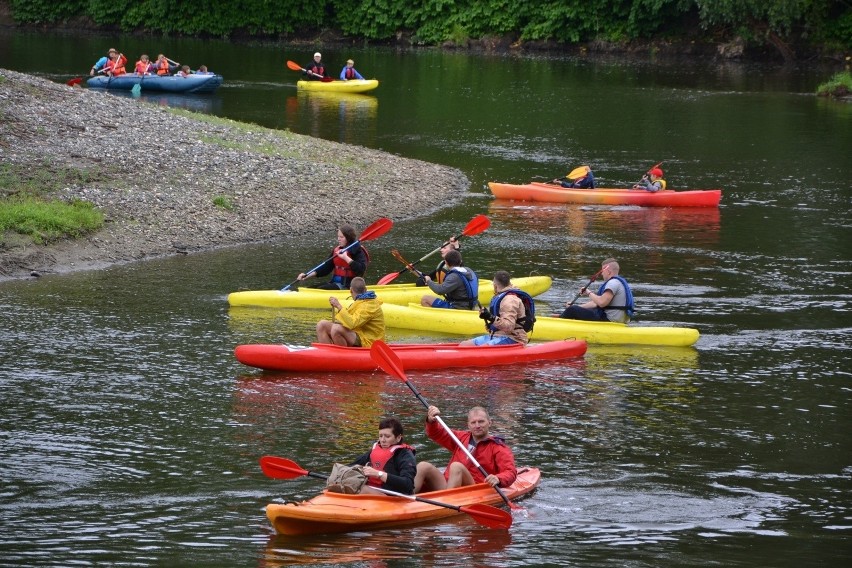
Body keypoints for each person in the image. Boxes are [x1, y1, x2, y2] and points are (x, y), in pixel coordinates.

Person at [413, 405, 516, 493]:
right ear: (468, 425)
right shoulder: (461, 437)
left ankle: (447, 502)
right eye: (473, 422)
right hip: (449, 485)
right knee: (423, 466)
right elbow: (436, 433)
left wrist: (498, 478)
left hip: (474, 489)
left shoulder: (498, 447)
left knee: (456, 466)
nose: (477, 426)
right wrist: (431, 421)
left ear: (489, 423)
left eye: (481, 422)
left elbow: (510, 472)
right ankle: (405, 496)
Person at [460, 270, 530, 346]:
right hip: (497, 335)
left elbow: (509, 327)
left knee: (480, 350)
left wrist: (491, 317)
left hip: (513, 338)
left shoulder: (510, 300)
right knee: (464, 344)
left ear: (495, 285)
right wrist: (490, 322)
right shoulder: (501, 295)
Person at [350, 417, 416, 495]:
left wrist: (378, 474)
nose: (382, 440)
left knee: (363, 489)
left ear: (398, 438)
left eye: (387, 436)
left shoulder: (405, 454)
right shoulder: (374, 451)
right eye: (380, 436)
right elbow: (351, 465)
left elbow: (408, 484)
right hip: (377, 490)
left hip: (395, 496)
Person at [316, 277, 385, 347]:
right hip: (358, 334)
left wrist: (338, 306)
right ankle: (327, 354)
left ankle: (342, 356)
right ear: (365, 289)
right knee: (321, 325)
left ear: (351, 290)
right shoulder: (360, 301)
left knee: (336, 329)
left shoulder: (369, 305)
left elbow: (352, 323)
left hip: (370, 342)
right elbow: (349, 320)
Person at [559, 258, 634, 323]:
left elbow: (601, 303)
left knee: (572, 310)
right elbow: (595, 303)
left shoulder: (612, 283)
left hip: (609, 320)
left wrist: (588, 293)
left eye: (602, 271)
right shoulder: (619, 282)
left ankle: (559, 323)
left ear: (608, 271)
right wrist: (578, 307)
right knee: (574, 308)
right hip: (617, 319)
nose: (602, 274)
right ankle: (562, 317)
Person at [297, 225, 369, 290]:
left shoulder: (357, 250)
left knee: (322, 289)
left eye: (341, 237)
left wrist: (346, 258)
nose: (339, 239)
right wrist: (307, 275)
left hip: (349, 286)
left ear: (349, 238)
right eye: (338, 236)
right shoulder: (337, 250)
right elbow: (325, 268)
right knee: (311, 288)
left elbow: (361, 270)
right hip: (335, 283)